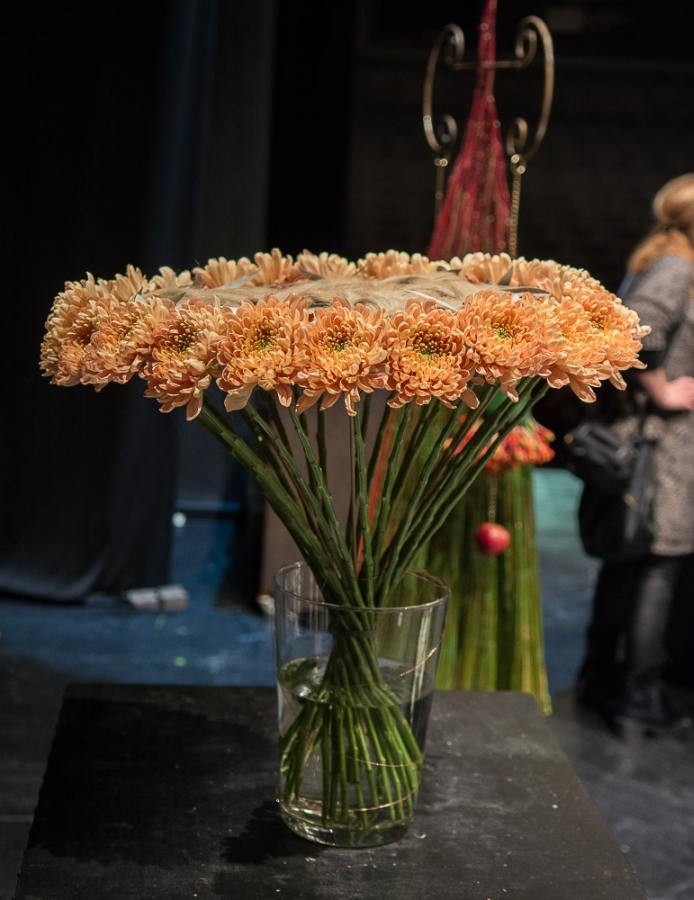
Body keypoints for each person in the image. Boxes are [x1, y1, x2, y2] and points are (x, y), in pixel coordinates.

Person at [577, 173, 694, 732]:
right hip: (661, 445)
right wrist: (664, 390)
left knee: (632, 562)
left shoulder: (665, 260)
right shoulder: (677, 268)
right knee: (657, 566)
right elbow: (635, 337)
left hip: (658, 443)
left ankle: (601, 682)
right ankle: (636, 698)